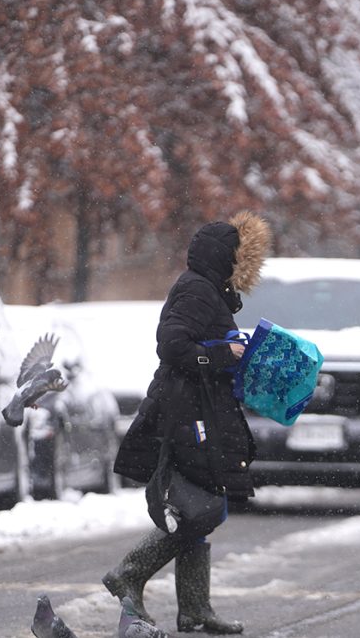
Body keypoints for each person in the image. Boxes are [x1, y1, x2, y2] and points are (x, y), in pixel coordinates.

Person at [104, 211, 271, 635]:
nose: (243, 270)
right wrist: (221, 355)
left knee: (203, 499)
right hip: (186, 412)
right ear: (224, 258)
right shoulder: (197, 290)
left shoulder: (208, 291)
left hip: (200, 408)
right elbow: (172, 345)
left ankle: (195, 609)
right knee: (203, 506)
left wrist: (234, 352)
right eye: (239, 259)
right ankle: (129, 573)